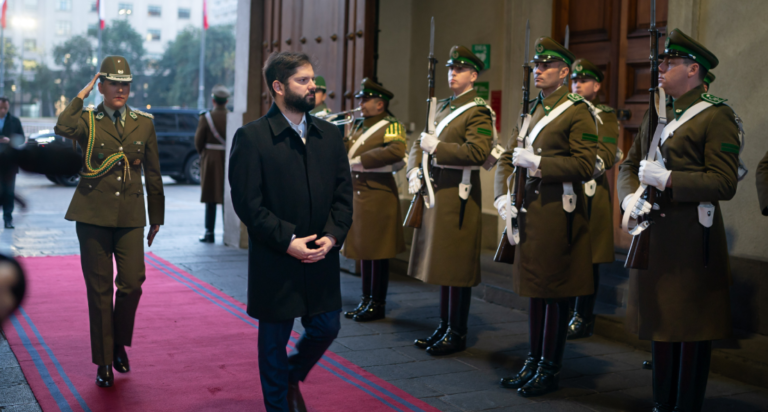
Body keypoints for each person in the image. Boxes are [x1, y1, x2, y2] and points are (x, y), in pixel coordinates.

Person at [617, 29, 740, 411]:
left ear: (693, 70)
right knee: (662, 326)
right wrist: (629, 199)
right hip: (655, 235)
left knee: (691, 330)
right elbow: (629, 165)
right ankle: (661, 403)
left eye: (669, 63)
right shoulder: (658, 115)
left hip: (691, 240)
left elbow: (723, 182)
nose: (661, 68)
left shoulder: (716, 116)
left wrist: (669, 179)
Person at [229, 51, 353, 412]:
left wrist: (332, 236)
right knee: (272, 343)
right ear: (278, 87)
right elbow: (248, 204)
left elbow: (344, 196)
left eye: (312, 79)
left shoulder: (329, 135)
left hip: (320, 252)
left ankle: (291, 375)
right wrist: (287, 241)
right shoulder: (252, 137)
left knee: (327, 328)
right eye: (303, 80)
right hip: (276, 256)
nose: (312, 86)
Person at [494, 37, 597, 397]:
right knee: (536, 292)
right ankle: (532, 361)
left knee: (554, 293)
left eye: (546, 66)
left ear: (564, 72)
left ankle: (549, 367)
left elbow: (587, 164)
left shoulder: (577, 110)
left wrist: (539, 164)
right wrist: (500, 196)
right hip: (529, 209)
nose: (538, 71)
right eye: (536, 66)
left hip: (557, 211)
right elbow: (508, 156)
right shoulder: (532, 108)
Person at [54, 56, 164, 388]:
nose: (120, 89)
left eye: (125, 84)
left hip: (130, 216)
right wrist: (80, 96)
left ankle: (117, 341)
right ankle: (104, 361)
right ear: (101, 86)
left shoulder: (143, 122)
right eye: (113, 83)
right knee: (99, 291)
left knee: (132, 283)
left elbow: (154, 173)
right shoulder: (87, 118)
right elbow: (62, 126)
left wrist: (156, 217)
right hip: (92, 216)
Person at [407, 45, 493, 357]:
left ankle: (456, 332)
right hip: (437, 192)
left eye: (459, 69)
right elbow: (420, 143)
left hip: (459, 196)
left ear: (473, 75)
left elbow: (477, 152)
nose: (452, 73)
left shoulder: (478, 110)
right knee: (444, 266)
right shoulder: (441, 105)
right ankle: (444, 326)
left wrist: (438, 148)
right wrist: (414, 168)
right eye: (450, 68)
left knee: (456, 268)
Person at [341, 78, 406, 322]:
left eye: (365, 99)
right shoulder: (358, 124)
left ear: (380, 104)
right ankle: (366, 299)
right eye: (360, 98)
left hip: (378, 194)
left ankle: (377, 303)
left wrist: (360, 161)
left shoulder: (391, 124)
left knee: (378, 253)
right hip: (359, 192)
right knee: (366, 251)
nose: (360, 103)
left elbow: (395, 151)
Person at [566, 59, 620, 339]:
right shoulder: (566, 111)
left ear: (596, 86)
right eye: (574, 80)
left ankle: (583, 315)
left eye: (584, 80)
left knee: (590, 257)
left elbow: (607, 154)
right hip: (564, 188)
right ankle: (567, 310)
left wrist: (577, 166)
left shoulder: (605, 115)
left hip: (590, 191)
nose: (577, 84)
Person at [195, 84, 231, 243]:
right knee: (226, 197)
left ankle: (209, 233)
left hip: (210, 159)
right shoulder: (231, 116)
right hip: (228, 158)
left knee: (210, 196)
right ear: (226, 101)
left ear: (213, 100)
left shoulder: (206, 117)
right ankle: (227, 233)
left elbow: (198, 141)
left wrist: (203, 153)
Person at [0, 97, 25, 229]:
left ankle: (8, 219)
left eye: (5, 108)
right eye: (0, 108)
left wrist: (10, 140)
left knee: (9, 192)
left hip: (9, 164)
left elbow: (21, 139)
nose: (3, 110)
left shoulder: (14, 121)